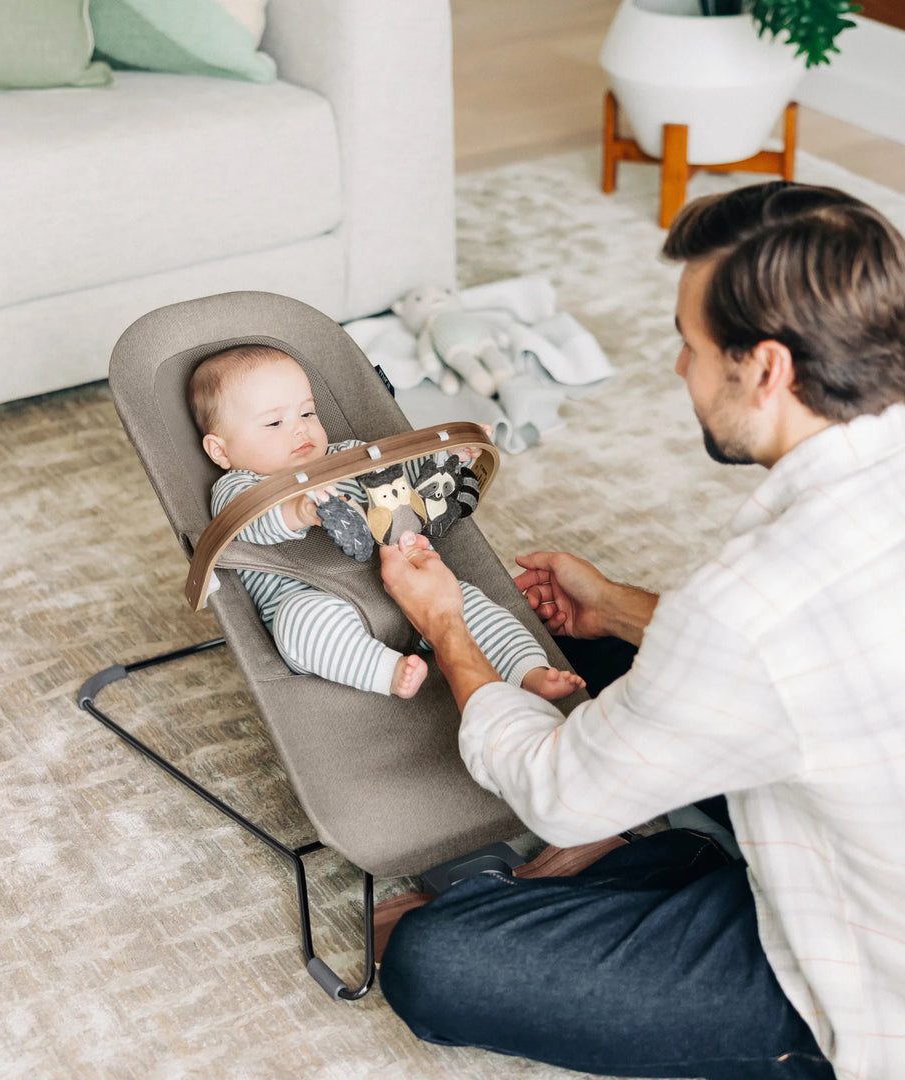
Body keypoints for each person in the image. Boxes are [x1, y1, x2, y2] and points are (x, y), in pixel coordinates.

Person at [377, 181, 905, 1080]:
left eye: (689, 345)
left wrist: (448, 625)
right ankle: (668, 837)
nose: (678, 370)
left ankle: (669, 858)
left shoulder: (750, 607)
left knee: (435, 958)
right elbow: (825, 654)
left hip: (860, 975)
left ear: (766, 369)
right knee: (582, 648)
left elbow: (555, 793)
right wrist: (621, 607)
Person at [187, 344, 585, 701]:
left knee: (472, 605)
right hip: (320, 599)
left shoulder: (345, 454)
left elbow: (395, 469)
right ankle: (385, 670)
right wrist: (300, 511)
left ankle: (527, 670)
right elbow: (249, 521)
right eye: (274, 423)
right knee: (300, 625)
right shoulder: (238, 484)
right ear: (220, 450)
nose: (300, 428)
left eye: (308, 412)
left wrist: (445, 455)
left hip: (411, 589)